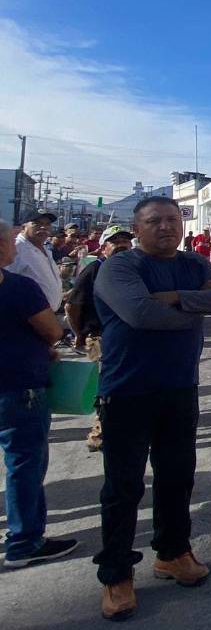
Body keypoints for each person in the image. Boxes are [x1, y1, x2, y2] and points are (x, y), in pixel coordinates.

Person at [91, 197, 211, 620]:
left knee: (176, 476)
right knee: (123, 487)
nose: (166, 227)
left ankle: (173, 553)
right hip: (127, 392)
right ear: (137, 228)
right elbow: (139, 313)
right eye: (155, 221)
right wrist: (194, 310)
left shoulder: (193, 264)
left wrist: (172, 296)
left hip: (179, 388)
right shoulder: (120, 267)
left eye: (173, 219)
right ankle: (116, 575)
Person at [0, 219, 79, 570]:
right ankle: (24, 541)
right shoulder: (18, 288)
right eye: (8, 241)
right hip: (18, 386)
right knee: (24, 463)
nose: (14, 246)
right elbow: (49, 329)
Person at [67, 225, 134, 353]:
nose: (121, 245)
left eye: (125, 241)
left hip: (127, 334)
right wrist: (80, 334)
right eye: (115, 242)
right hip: (100, 337)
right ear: (103, 248)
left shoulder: (134, 269)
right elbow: (72, 306)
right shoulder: (93, 270)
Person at [6, 210, 62, 313]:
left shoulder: (45, 249)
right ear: (23, 227)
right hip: (27, 316)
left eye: (47, 224)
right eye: (37, 223)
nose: (43, 227)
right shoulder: (16, 248)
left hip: (48, 314)